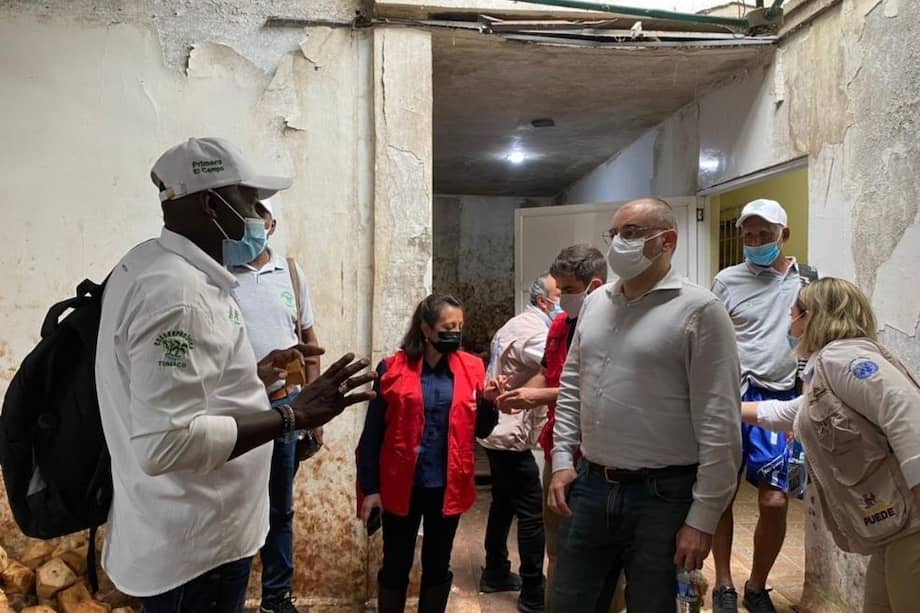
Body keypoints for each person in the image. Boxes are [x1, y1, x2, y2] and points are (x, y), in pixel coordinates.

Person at [95, 137, 375, 612]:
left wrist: (248, 375)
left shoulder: (154, 264)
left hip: (187, 533)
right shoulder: (180, 295)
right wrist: (291, 415)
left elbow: (179, 388)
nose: (257, 216)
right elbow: (165, 444)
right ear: (211, 204)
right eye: (248, 201)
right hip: (195, 552)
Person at [546, 198, 742, 612]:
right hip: (592, 484)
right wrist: (562, 459)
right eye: (615, 233)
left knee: (652, 604)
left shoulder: (700, 311)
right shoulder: (596, 303)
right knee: (569, 601)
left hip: (664, 495)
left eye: (632, 233)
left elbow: (719, 421)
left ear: (667, 241)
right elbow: (572, 386)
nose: (619, 242)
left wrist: (703, 518)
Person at [741, 277, 920, 613]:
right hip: (892, 524)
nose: (789, 323)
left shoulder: (844, 358)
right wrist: (723, 407)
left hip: (913, 521)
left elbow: (905, 411)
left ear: (811, 316)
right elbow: (789, 412)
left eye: (793, 313)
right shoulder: (824, 368)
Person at [355, 294, 502, 613]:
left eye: (459, 327)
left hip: (447, 485)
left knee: (437, 564)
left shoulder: (472, 368)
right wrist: (370, 488)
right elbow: (371, 436)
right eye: (448, 328)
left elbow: (481, 430)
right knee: (396, 562)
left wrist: (490, 402)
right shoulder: (392, 368)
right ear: (425, 329)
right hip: (400, 485)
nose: (456, 333)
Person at [496, 244, 620, 613]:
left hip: (606, 456)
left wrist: (537, 396)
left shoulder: (619, 326)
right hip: (559, 451)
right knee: (559, 546)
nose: (562, 299)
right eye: (560, 290)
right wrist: (518, 394)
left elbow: (595, 388)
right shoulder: (560, 327)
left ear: (594, 286)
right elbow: (550, 374)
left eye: (568, 290)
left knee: (606, 555)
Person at [709, 199, 808, 613]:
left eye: (764, 235)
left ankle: (757, 585)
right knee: (720, 493)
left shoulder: (809, 281)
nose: (755, 242)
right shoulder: (727, 281)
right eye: (748, 236)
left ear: (784, 235)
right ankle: (724, 584)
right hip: (730, 396)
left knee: (774, 500)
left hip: (780, 397)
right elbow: (709, 337)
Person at [231, 197, 323, 613]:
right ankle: (228, 598)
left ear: (271, 224)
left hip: (285, 408)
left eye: (258, 215)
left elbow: (310, 344)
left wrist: (314, 412)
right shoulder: (219, 272)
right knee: (234, 509)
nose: (249, 222)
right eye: (243, 214)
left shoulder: (291, 273)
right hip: (236, 409)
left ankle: (276, 597)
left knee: (279, 508)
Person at [477, 272, 559, 612]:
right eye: (560, 294)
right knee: (531, 513)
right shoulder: (535, 332)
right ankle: (532, 592)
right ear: (543, 301)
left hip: (496, 430)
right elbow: (555, 363)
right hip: (509, 434)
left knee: (503, 503)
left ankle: (495, 570)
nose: (562, 302)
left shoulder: (515, 323)